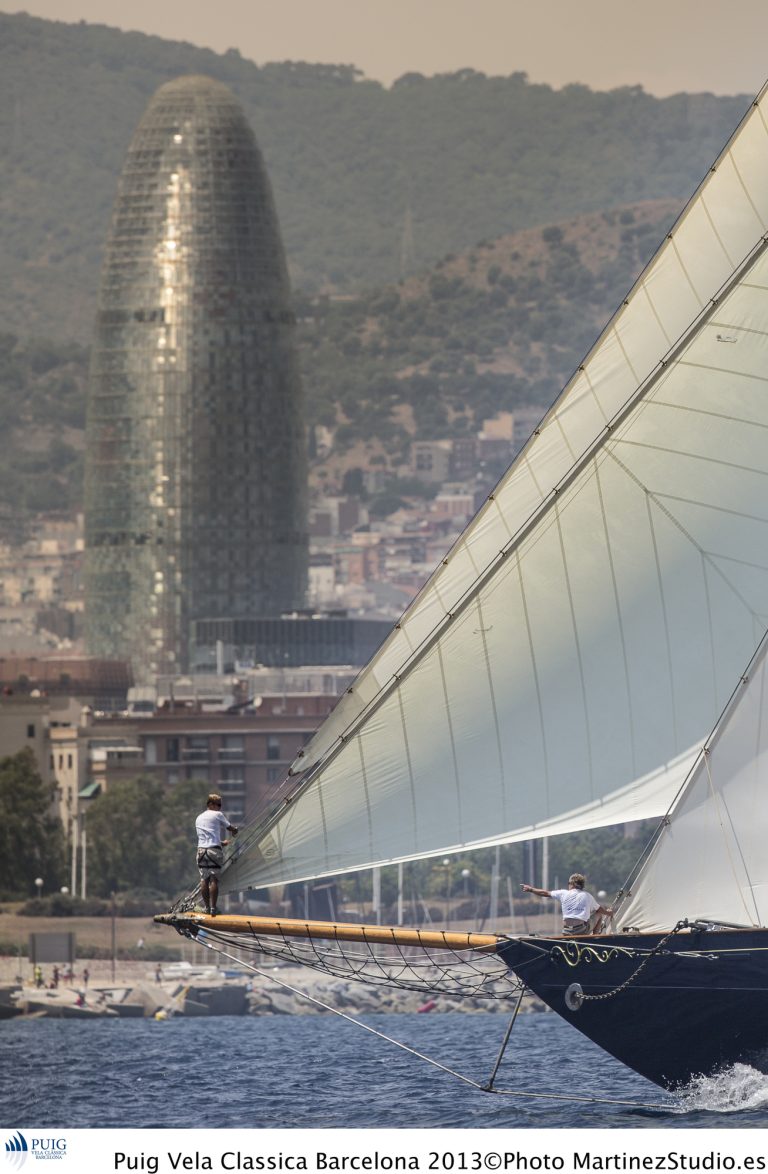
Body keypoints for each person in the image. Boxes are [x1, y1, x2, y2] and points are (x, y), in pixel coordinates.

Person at [520, 873, 613, 935]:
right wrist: (609, 913)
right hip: (581, 931)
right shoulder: (587, 896)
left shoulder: (563, 893)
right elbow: (599, 909)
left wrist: (531, 889)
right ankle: (594, 939)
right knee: (599, 914)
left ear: (572, 884)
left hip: (566, 931)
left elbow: (545, 893)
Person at [195, 792, 239, 917]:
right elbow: (230, 827)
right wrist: (235, 830)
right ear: (210, 804)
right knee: (214, 879)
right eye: (218, 804)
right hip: (214, 851)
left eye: (220, 805)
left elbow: (205, 836)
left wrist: (220, 842)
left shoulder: (198, 817)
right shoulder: (217, 814)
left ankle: (207, 908)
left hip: (201, 851)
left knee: (204, 879)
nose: (220, 807)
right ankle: (213, 908)